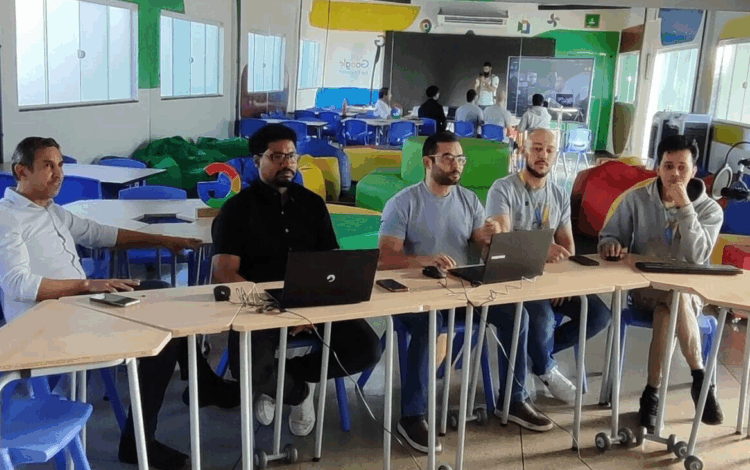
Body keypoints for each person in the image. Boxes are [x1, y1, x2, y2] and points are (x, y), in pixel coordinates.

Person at [0, 137, 237, 470]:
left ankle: (204, 385)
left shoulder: (49, 210)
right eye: (48, 166)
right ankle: (138, 441)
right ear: (21, 171)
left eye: (60, 165)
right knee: (162, 336)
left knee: (164, 295)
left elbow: (100, 234)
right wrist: (86, 285)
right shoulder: (3, 220)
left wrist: (163, 240)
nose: (58, 174)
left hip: (78, 306)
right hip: (45, 324)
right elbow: (19, 284)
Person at [378, 131, 553, 454]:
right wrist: (423, 260)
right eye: (448, 158)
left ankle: (514, 400)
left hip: (462, 292)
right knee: (429, 326)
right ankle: (412, 416)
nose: (456, 164)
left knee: (517, 315)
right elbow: (385, 258)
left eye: (460, 158)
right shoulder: (403, 203)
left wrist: (490, 240)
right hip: (416, 298)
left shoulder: (469, 200)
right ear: (427, 162)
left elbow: (481, 248)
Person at [212, 124, 380, 437]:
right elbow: (223, 273)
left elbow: (332, 261)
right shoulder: (236, 210)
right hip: (260, 307)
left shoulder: (312, 204)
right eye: (277, 156)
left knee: (367, 348)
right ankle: (297, 393)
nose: (287, 163)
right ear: (257, 160)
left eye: (291, 156)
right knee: (248, 369)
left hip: (313, 300)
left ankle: (288, 379)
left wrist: (313, 307)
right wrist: (273, 308)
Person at [599, 134, 724, 430]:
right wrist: (611, 244)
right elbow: (609, 235)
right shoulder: (636, 198)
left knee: (671, 305)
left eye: (682, 167)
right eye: (668, 166)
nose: (675, 174)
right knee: (670, 297)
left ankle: (651, 394)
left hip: (689, 294)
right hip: (646, 289)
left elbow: (698, 256)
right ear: (658, 168)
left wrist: (686, 208)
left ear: (694, 171)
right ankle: (700, 377)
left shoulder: (710, 210)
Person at [485, 128, 612, 404]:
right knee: (541, 318)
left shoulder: (559, 194)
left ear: (556, 155)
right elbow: (502, 242)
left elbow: (567, 245)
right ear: (524, 151)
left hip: (551, 279)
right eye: (537, 148)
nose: (543, 155)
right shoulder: (502, 188)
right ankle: (545, 367)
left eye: (549, 150)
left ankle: (538, 355)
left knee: (599, 315)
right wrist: (542, 250)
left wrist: (564, 283)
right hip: (516, 278)